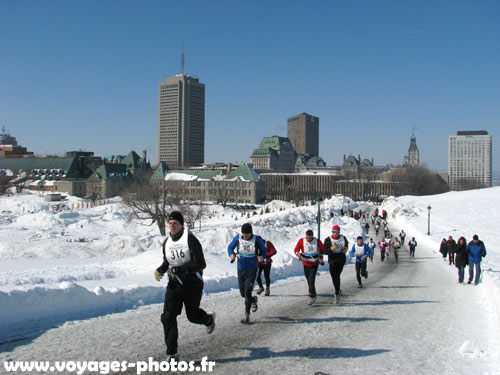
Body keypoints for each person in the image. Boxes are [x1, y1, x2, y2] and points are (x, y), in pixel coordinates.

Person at [155, 211, 215, 361]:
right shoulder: (167, 242)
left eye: (175, 224)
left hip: (192, 284)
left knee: (192, 316)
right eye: (170, 224)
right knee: (167, 317)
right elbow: (168, 260)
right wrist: (161, 269)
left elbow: (201, 264)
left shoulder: (190, 239)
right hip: (174, 284)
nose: (172, 227)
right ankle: (172, 353)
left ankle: (208, 319)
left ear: (181, 225)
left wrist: (179, 269)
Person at [227, 223, 267, 323]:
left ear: (251, 233)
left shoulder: (257, 239)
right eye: (243, 233)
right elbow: (230, 247)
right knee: (242, 293)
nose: (244, 235)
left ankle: (247, 316)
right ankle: (253, 300)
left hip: (252, 268)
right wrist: (231, 254)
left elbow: (264, 251)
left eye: (247, 234)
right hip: (241, 268)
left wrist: (261, 257)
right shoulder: (238, 238)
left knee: (247, 290)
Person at [295, 229, 326, 305]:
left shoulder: (317, 242)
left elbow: (323, 250)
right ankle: (313, 292)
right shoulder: (301, 241)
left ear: (312, 236)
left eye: (309, 238)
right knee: (308, 279)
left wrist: (321, 258)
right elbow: (296, 249)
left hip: (314, 263)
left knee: (311, 279)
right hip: (305, 262)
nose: (308, 240)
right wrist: (298, 254)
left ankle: (311, 295)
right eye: (307, 238)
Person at [324, 225, 349, 304]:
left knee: (337, 276)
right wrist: (331, 249)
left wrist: (345, 249)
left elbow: (346, 246)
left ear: (339, 233)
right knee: (334, 276)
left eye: (337, 232)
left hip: (340, 259)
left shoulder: (343, 238)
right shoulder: (328, 239)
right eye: (334, 232)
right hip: (332, 259)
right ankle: (337, 289)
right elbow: (325, 251)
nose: (335, 234)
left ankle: (337, 294)